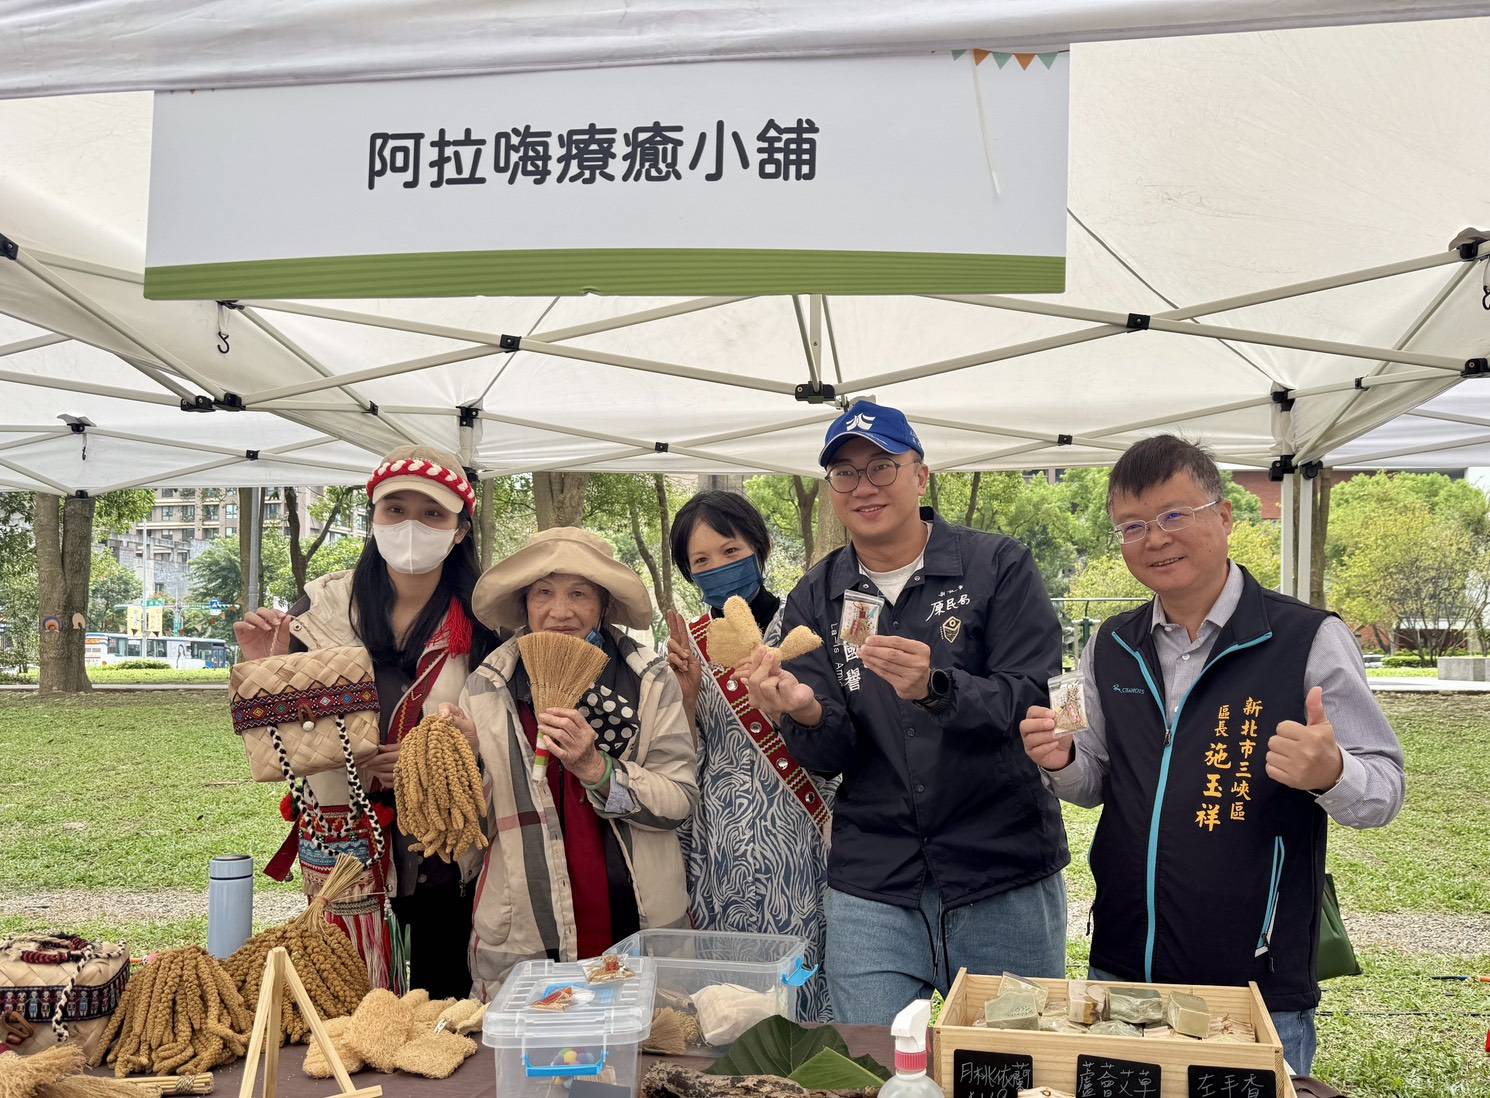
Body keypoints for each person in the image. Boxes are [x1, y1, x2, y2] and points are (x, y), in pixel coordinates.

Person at [1019, 435, 1406, 1075]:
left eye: (1175, 515)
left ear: (1224, 516)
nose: (1155, 539)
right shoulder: (1111, 644)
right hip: (1124, 963)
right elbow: (1093, 780)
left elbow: (1384, 789)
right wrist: (1059, 760)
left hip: (1254, 978)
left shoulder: (1306, 637)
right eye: (1133, 526)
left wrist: (1332, 772)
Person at [743, 400, 1070, 1024]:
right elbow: (831, 754)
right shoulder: (818, 594)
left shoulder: (996, 566)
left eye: (882, 467)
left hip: (999, 868)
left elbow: (1034, 698)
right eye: (845, 472)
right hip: (876, 882)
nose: (864, 486)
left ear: (920, 477)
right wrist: (803, 712)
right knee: (876, 1062)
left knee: (1009, 1061)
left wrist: (937, 688)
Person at [234, 445, 500, 997]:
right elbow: (274, 745)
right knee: (352, 999)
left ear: (459, 531)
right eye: (395, 509)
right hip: (347, 844)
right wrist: (264, 668)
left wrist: (456, 751)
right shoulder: (320, 612)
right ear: (373, 517)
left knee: (444, 1001)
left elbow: (511, 733)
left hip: (447, 847)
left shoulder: (487, 623)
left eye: (432, 514)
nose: (411, 526)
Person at [450, 527, 698, 996]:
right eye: (543, 593)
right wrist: (465, 763)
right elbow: (469, 832)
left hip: (635, 915)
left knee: (643, 1034)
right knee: (541, 1037)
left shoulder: (647, 679)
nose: (560, 611)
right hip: (525, 926)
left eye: (579, 594)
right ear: (524, 603)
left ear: (603, 604)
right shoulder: (488, 686)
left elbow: (679, 801)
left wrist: (597, 770)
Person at [664, 490, 835, 1021]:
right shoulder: (688, 647)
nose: (717, 567)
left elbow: (837, 730)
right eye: (701, 561)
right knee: (730, 991)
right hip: (721, 841)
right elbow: (681, 752)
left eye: (730, 551)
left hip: (802, 830)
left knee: (804, 970)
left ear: (759, 549)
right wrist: (685, 696)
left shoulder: (805, 629)